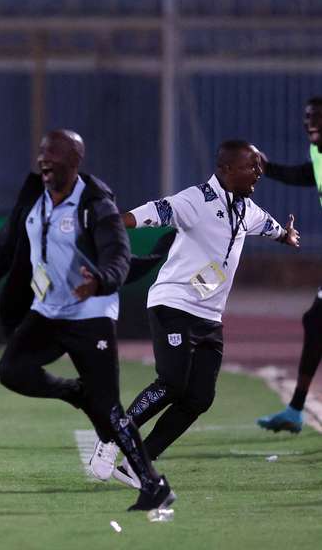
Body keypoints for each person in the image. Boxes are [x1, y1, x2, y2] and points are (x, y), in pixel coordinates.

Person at [0, 129, 174, 511]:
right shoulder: (34, 198)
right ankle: (75, 392)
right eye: (42, 153)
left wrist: (100, 280)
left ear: (76, 161)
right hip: (47, 312)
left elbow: (117, 252)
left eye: (55, 154)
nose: (44, 160)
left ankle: (153, 484)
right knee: (12, 370)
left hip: (90, 315)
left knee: (109, 408)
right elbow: (2, 249)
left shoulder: (95, 203)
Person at [89, 140, 299, 491]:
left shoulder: (247, 210)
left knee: (200, 397)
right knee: (172, 382)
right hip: (174, 305)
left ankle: (135, 464)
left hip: (209, 316)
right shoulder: (196, 200)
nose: (258, 173)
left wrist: (286, 235)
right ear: (227, 169)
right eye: (252, 167)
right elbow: (156, 211)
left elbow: (270, 226)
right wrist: (115, 221)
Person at [257, 97, 322, 434]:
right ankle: (296, 409)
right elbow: (306, 175)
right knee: (315, 323)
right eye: (307, 117)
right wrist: (269, 168)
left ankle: (296, 408)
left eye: (317, 117)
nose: (310, 122)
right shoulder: (317, 154)